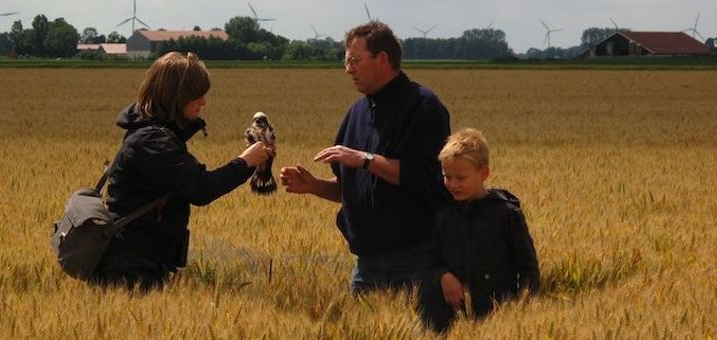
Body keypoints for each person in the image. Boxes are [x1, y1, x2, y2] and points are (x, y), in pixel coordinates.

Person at [279, 21, 452, 327]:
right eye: (346, 61)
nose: (348, 69)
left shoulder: (423, 106)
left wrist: (364, 158)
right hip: (366, 266)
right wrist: (314, 185)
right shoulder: (356, 113)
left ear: (383, 59)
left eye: (355, 61)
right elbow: (352, 187)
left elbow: (424, 178)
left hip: (415, 260)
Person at [94, 51, 274, 291]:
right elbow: (200, 188)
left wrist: (249, 160)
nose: (203, 102)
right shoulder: (152, 141)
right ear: (177, 97)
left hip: (136, 260)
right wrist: (245, 163)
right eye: (197, 95)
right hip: (132, 267)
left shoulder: (151, 134)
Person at [430, 128, 540, 332]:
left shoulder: (506, 215)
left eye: (461, 178)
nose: (453, 184)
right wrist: (443, 275)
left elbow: (528, 268)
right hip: (456, 319)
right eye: (447, 177)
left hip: (501, 316)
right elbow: (434, 259)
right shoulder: (444, 217)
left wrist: (526, 311)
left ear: (483, 173)